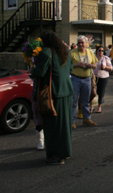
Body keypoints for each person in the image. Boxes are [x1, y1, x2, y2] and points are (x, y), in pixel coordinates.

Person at [30, 31, 74, 165]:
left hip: (53, 93)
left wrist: (32, 69)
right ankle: (65, 152)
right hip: (67, 90)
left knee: (52, 126)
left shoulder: (46, 52)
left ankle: (55, 155)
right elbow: (70, 69)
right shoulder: (65, 51)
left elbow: (40, 72)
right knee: (65, 125)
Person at [70, 35, 97, 128]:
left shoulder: (90, 52)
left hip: (87, 79)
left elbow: (95, 65)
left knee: (85, 101)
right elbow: (67, 66)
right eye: (79, 43)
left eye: (82, 43)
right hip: (75, 79)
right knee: (73, 101)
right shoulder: (72, 53)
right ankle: (72, 121)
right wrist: (77, 64)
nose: (81, 44)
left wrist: (91, 65)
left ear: (86, 44)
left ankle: (86, 118)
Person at [92, 45, 112, 113]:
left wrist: (105, 67)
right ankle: (92, 106)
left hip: (103, 77)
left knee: (101, 92)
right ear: (96, 51)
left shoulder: (106, 58)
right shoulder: (93, 58)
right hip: (94, 77)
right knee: (93, 92)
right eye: (99, 50)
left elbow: (111, 68)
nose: (101, 52)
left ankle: (99, 107)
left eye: (102, 51)